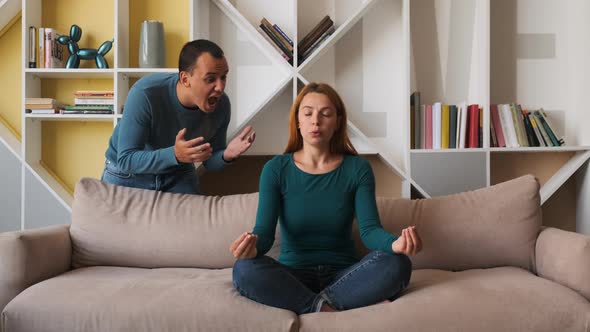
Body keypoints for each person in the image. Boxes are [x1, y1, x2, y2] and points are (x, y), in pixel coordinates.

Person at [230, 82, 423, 314]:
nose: (316, 121)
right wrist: (251, 249)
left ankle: (314, 304)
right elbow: (264, 232)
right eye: (308, 113)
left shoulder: (357, 169)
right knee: (244, 269)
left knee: (398, 264)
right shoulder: (276, 169)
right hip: (292, 276)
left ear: (338, 122)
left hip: (345, 275)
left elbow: (370, 231)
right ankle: (327, 306)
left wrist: (395, 244)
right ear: (297, 121)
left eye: (326, 114)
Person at [101, 39, 255, 194]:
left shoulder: (221, 106)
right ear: (185, 79)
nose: (220, 87)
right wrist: (174, 154)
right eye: (210, 79)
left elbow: (210, 161)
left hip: (177, 173)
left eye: (223, 77)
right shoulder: (145, 93)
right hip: (126, 174)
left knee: (194, 217)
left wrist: (226, 155)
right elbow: (126, 160)